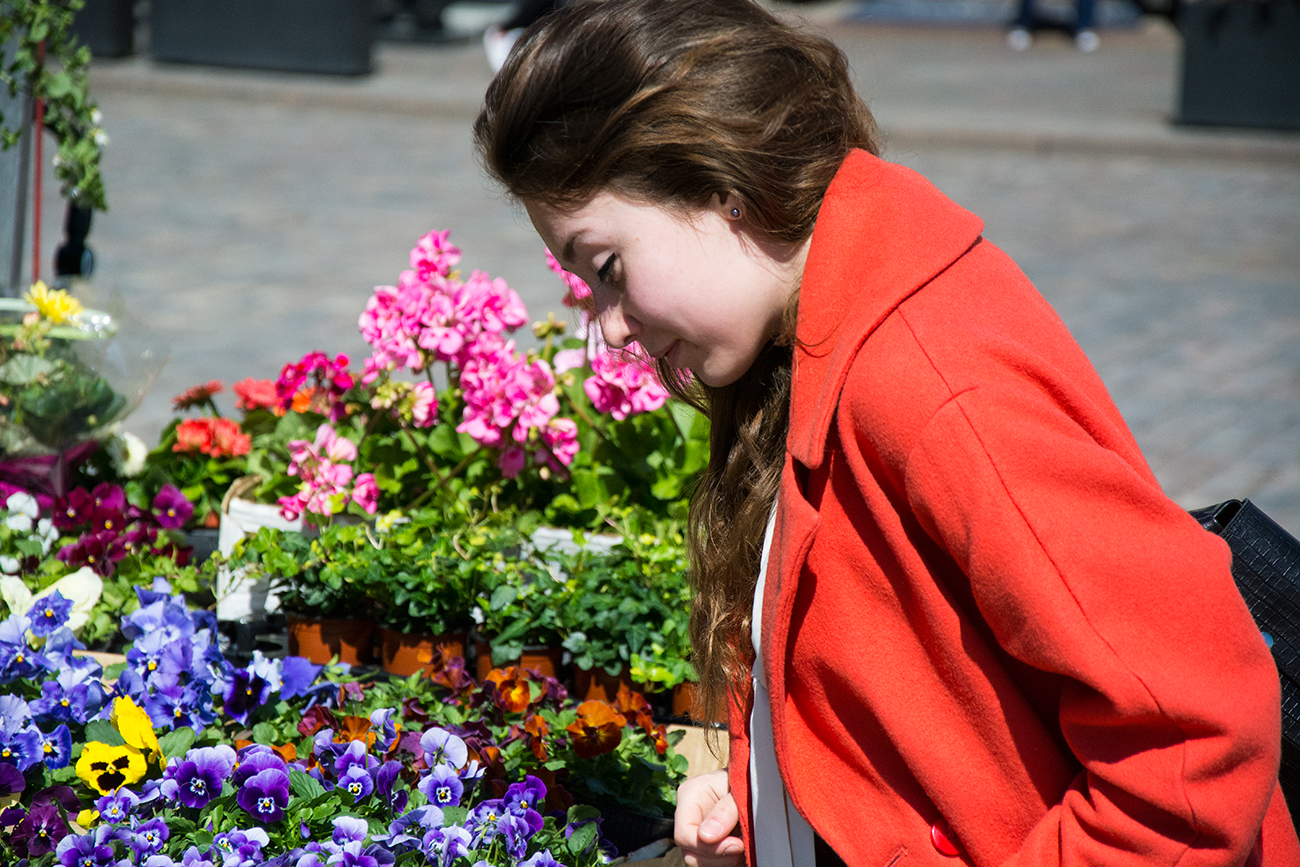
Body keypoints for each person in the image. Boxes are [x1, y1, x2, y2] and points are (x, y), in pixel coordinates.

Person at [473, 1, 1300, 864]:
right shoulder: (811, 333)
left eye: (608, 269)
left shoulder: (927, 376)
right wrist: (773, 789)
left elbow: (1193, 735)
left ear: (722, 190)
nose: (605, 327)